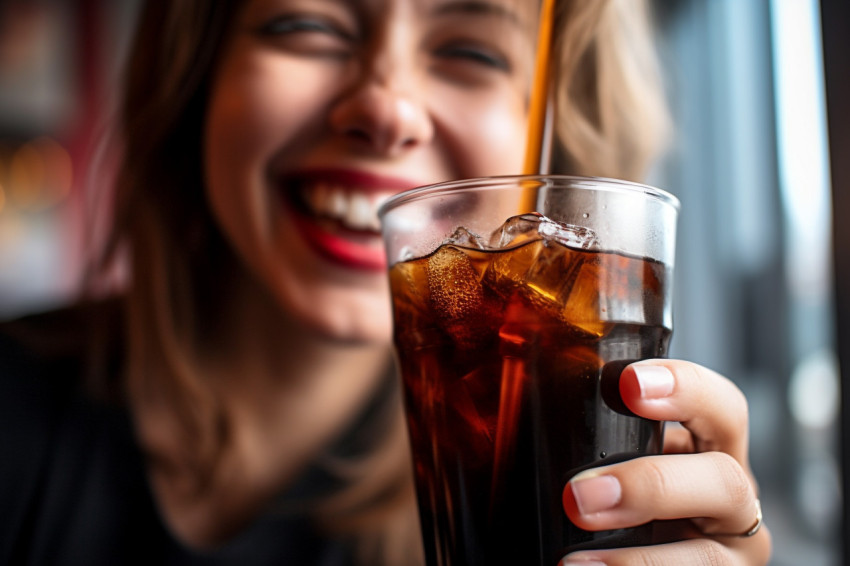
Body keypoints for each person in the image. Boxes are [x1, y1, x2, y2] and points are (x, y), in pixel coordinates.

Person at [0, 1, 771, 565]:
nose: (384, 108)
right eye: (306, 24)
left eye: (473, 50)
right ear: (197, 79)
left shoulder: (544, 481)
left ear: (558, 141)